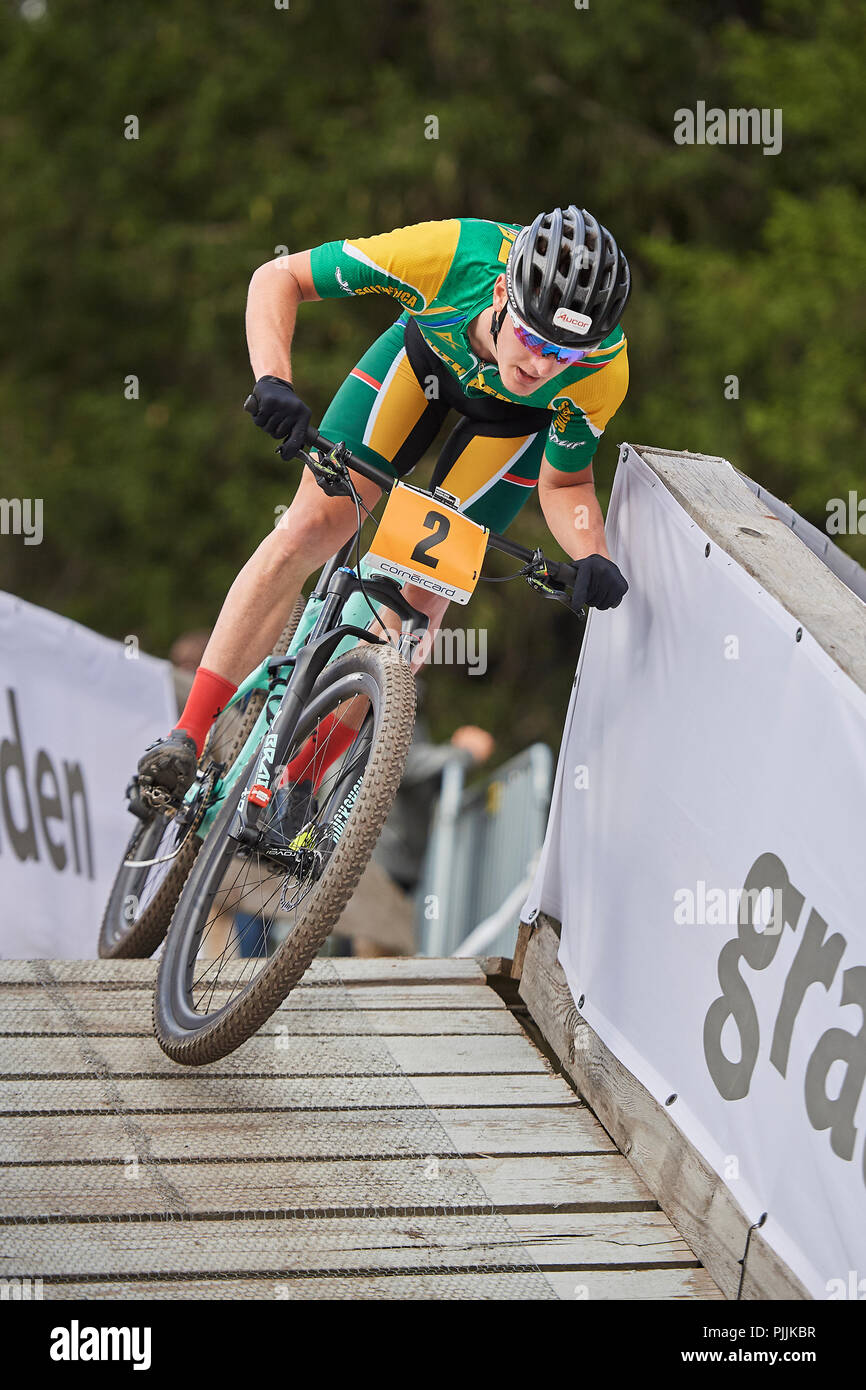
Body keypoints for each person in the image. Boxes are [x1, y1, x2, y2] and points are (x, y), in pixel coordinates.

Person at [136, 205, 631, 803]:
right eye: (530, 337)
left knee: (420, 595)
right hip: (418, 365)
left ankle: (302, 783)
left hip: (513, 428)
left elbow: (567, 484)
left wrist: (593, 553)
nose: (540, 365)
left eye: (565, 356)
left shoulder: (603, 369)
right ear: (502, 291)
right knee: (310, 529)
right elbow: (278, 278)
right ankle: (186, 736)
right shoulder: (450, 256)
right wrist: (274, 380)